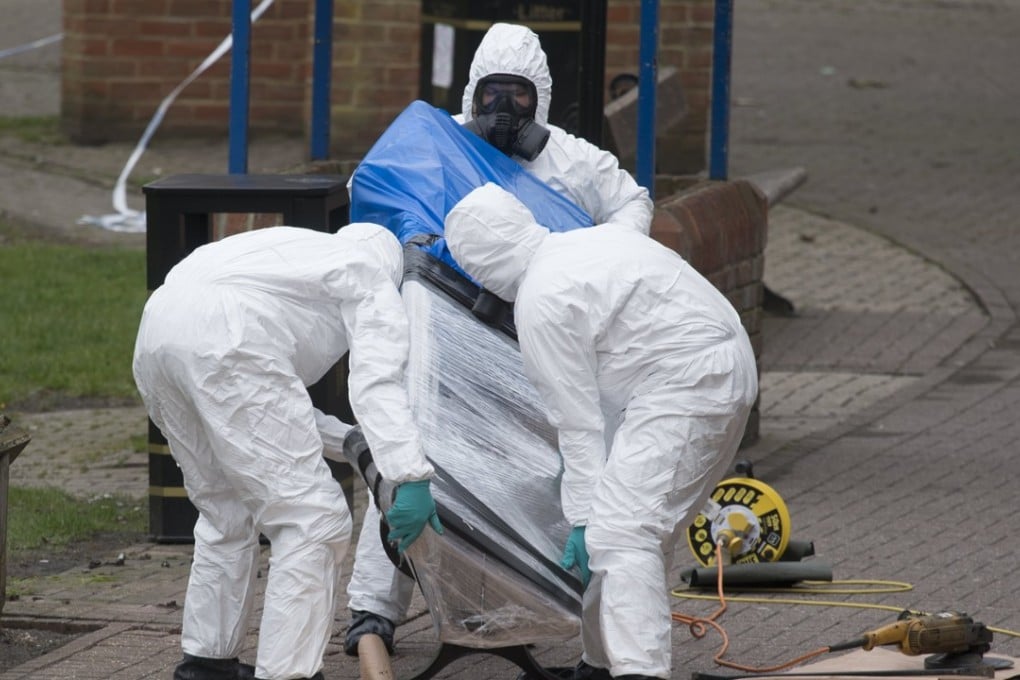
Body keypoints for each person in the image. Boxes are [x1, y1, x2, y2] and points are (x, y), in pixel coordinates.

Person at [343, 20, 654, 657]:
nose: (503, 111)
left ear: (538, 96)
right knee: (411, 460)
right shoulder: (436, 145)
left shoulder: (572, 160)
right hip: (443, 329)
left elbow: (634, 206)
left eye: (517, 95)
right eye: (491, 95)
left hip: (530, 340)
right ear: (471, 93)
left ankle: (511, 597)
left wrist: (583, 259)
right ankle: (371, 609)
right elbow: (373, 186)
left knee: (528, 468)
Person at [444, 183, 759, 680]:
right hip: (721, 365)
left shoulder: (541, 300)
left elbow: (577, 422)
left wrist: (583, 517)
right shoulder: (591, 241)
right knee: (639, 527)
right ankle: (601, 661)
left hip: (687, 382)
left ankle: (638, 670)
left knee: (622, 531)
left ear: (479, 265)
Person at [132, 223, 443, 680]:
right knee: (312, 519)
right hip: (228, 341)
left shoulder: (294, 256)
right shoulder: (371, 277)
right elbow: (376, 384)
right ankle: (288, 672)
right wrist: (409, 474)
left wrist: (353, 443)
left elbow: (259, 405)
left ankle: (207, 665)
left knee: (224, 509)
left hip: (158, 331)